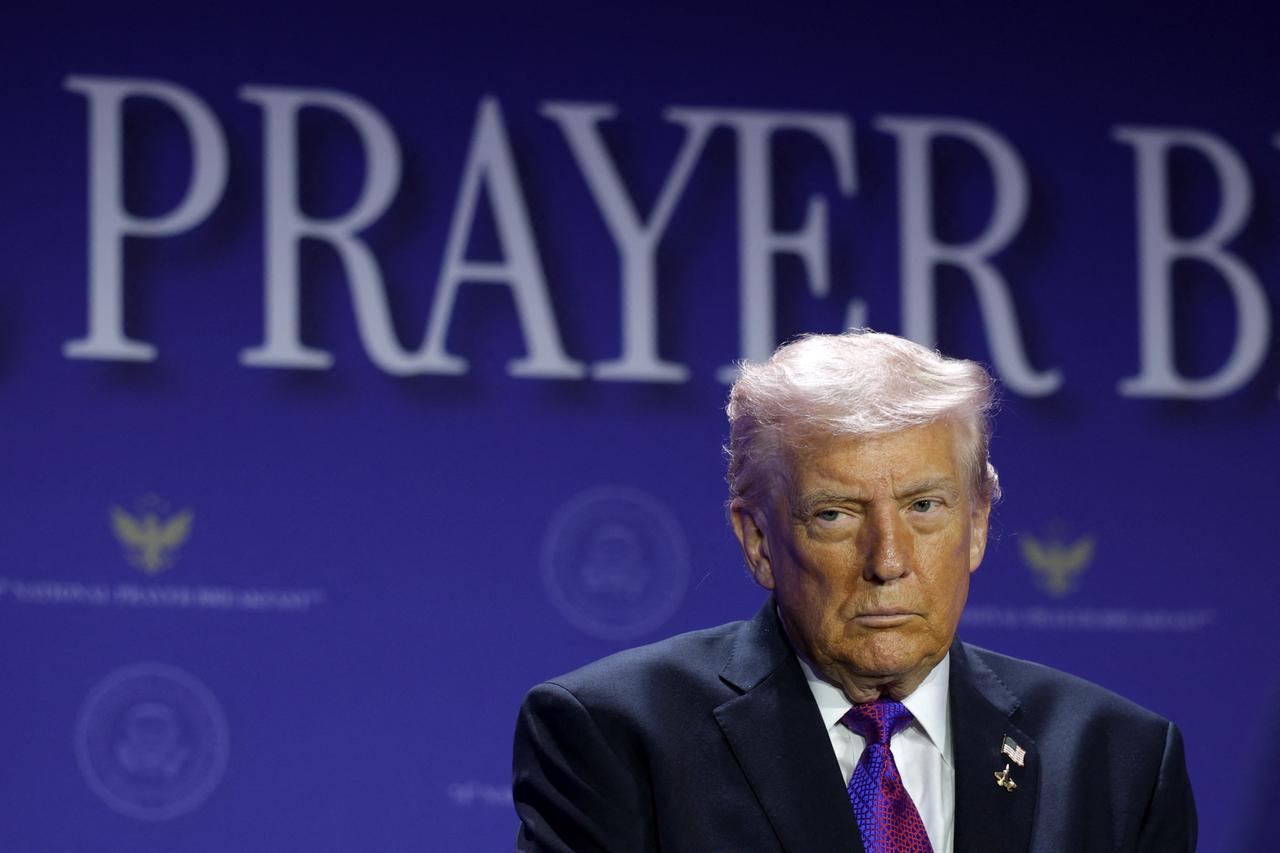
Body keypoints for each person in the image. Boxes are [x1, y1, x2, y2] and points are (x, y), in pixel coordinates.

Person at [512, 330, 1196, 852]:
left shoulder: (1117, 758)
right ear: (757, 540)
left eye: (925, 506)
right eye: (835, 514)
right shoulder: (618, 735)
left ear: (980, 522)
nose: (888, 560)